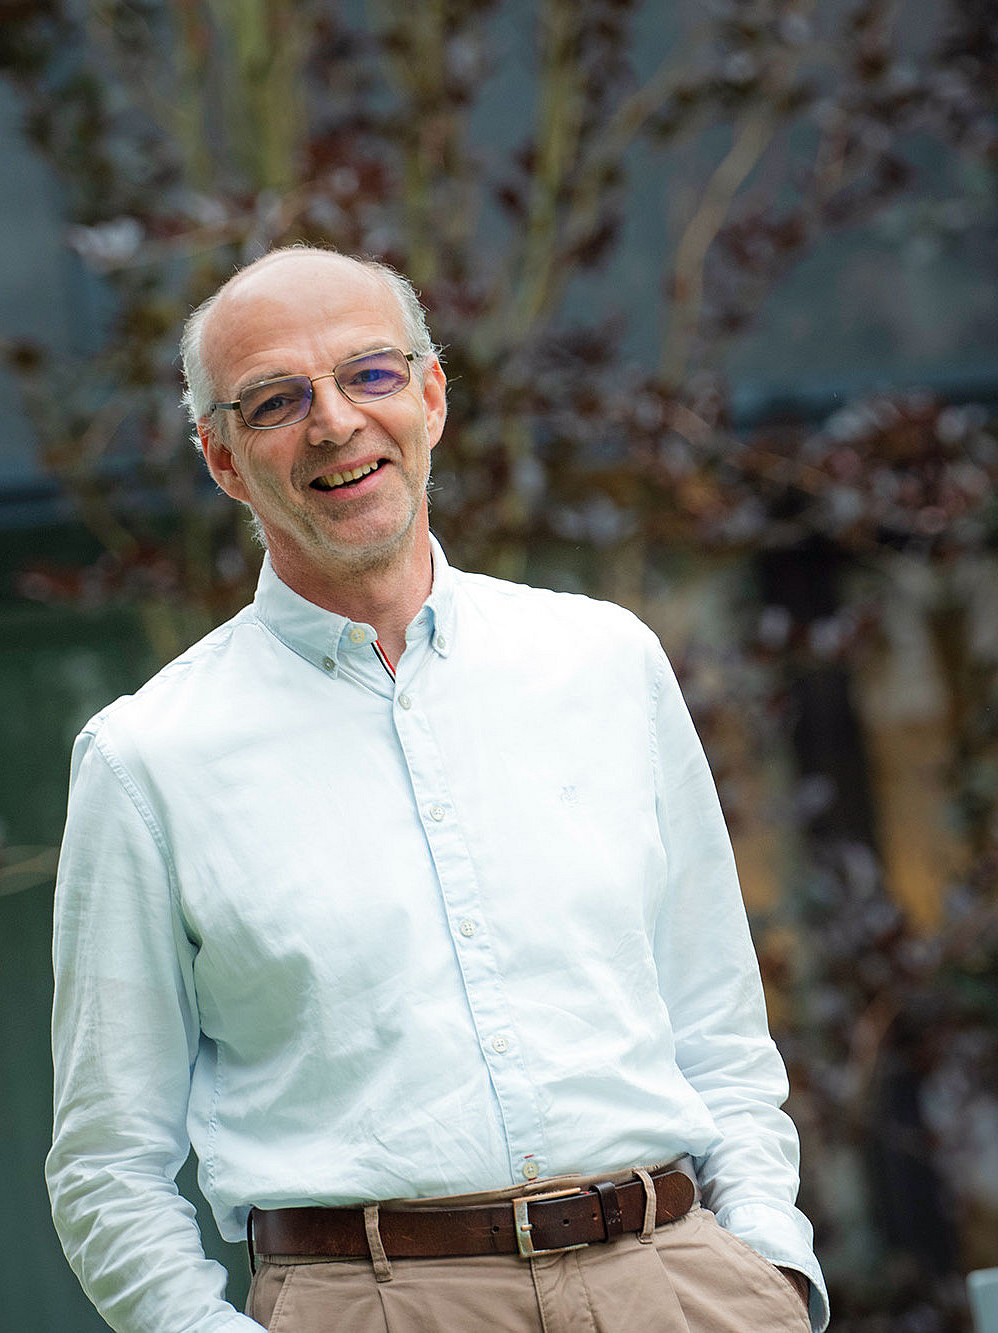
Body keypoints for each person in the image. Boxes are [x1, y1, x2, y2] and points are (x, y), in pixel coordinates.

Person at [46, 245, 828, 1333]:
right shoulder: (147, 759)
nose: (334, 423)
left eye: (368, 373)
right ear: (223, 462)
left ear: (430, 395)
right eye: (277, 400)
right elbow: (106, 1164)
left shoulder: (605, 662)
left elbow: (720, 1026)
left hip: (679, 1286)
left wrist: (769, 1270)